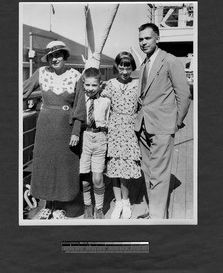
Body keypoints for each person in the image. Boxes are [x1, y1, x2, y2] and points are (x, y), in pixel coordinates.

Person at [135, 23, 191, 219]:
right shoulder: (144, 63)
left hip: (162, 126)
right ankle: (155, 211)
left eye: (147, 38)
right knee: (148, 170)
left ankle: (158, 218)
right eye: (141, 39)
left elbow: (183, 95)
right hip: (143, 125)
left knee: (158, 173)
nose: (143, 42)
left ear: (157, 38)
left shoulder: (170, 61)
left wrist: (175, 123)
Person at [23, 40, 83, 220]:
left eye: (58, 55)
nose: (54, 59)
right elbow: (23, 90)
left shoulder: (76, 76)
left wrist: (76, 131)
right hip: (45, 126)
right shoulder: (41, 73)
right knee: (45, 165)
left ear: (64, 56)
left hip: (66, 126)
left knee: (63, 166)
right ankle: (47, 204)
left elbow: (80, 107)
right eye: (50, 56)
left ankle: (60, 206)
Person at [102, 52, 141, 219]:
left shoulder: (138, 84)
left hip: (131, 129)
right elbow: (100, 103)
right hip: (114, 128)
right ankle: (118, 202)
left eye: (128, 67)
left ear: (132, 67)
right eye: (122, 67)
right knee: (114, 168)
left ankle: (126, 202)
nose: (125, 71)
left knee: (126, 168)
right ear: (116, 67)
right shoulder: (109, 84)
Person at [79, 67, 110, 219]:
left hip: (100, 139)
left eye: (94, 85)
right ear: (83, 83)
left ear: (100, 85)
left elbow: (109, 120)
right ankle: (87, 205)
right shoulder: (79, 100)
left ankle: (99, 208)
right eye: (87, 85)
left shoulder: (106, 101)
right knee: (84, 179)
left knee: (97, 178)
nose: (90, 89)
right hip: (84, 138)